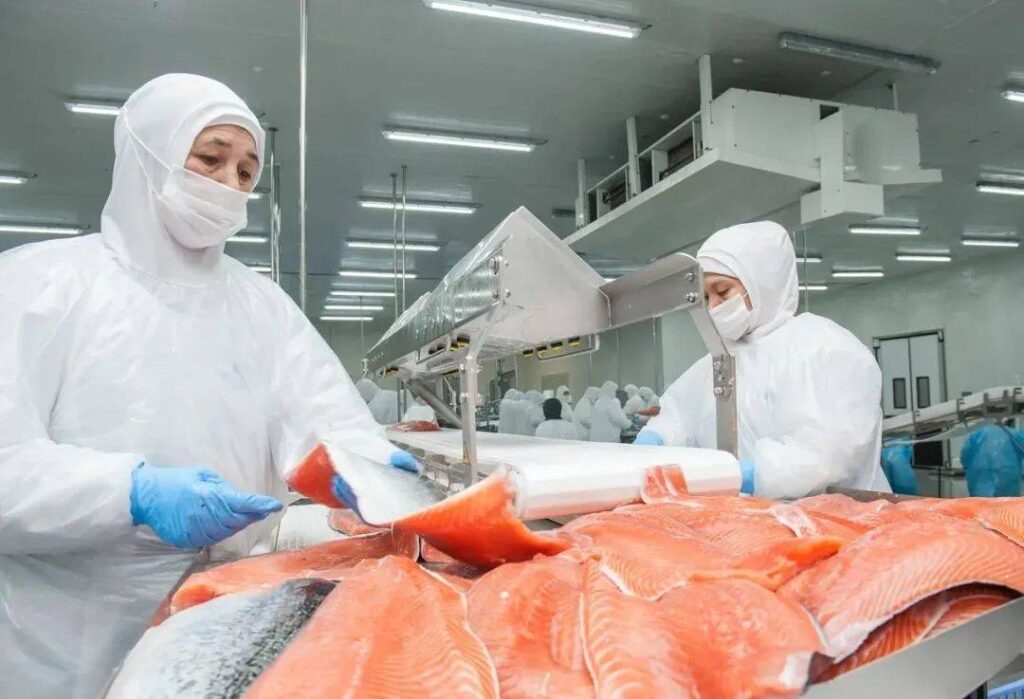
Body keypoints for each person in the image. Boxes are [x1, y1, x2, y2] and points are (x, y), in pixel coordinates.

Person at [0, 74, 414, 698]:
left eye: (247, 171)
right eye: (210, 158)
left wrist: (366, 465)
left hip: (229, 610)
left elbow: (326, 414)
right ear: (150, 153)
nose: (229, 185)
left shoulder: (261, 305)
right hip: (61, 634)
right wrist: (130, 493)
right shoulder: (39, 284)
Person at [635, 221, 889, 499]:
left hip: (836, 522)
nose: (713, 308)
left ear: (762, 282)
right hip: (758, 521)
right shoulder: (721, 358)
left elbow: (831, 452)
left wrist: (754, 475)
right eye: (706, 297)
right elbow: (681, 413)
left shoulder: (826, 349)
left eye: (722, 291)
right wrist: (655, 440)